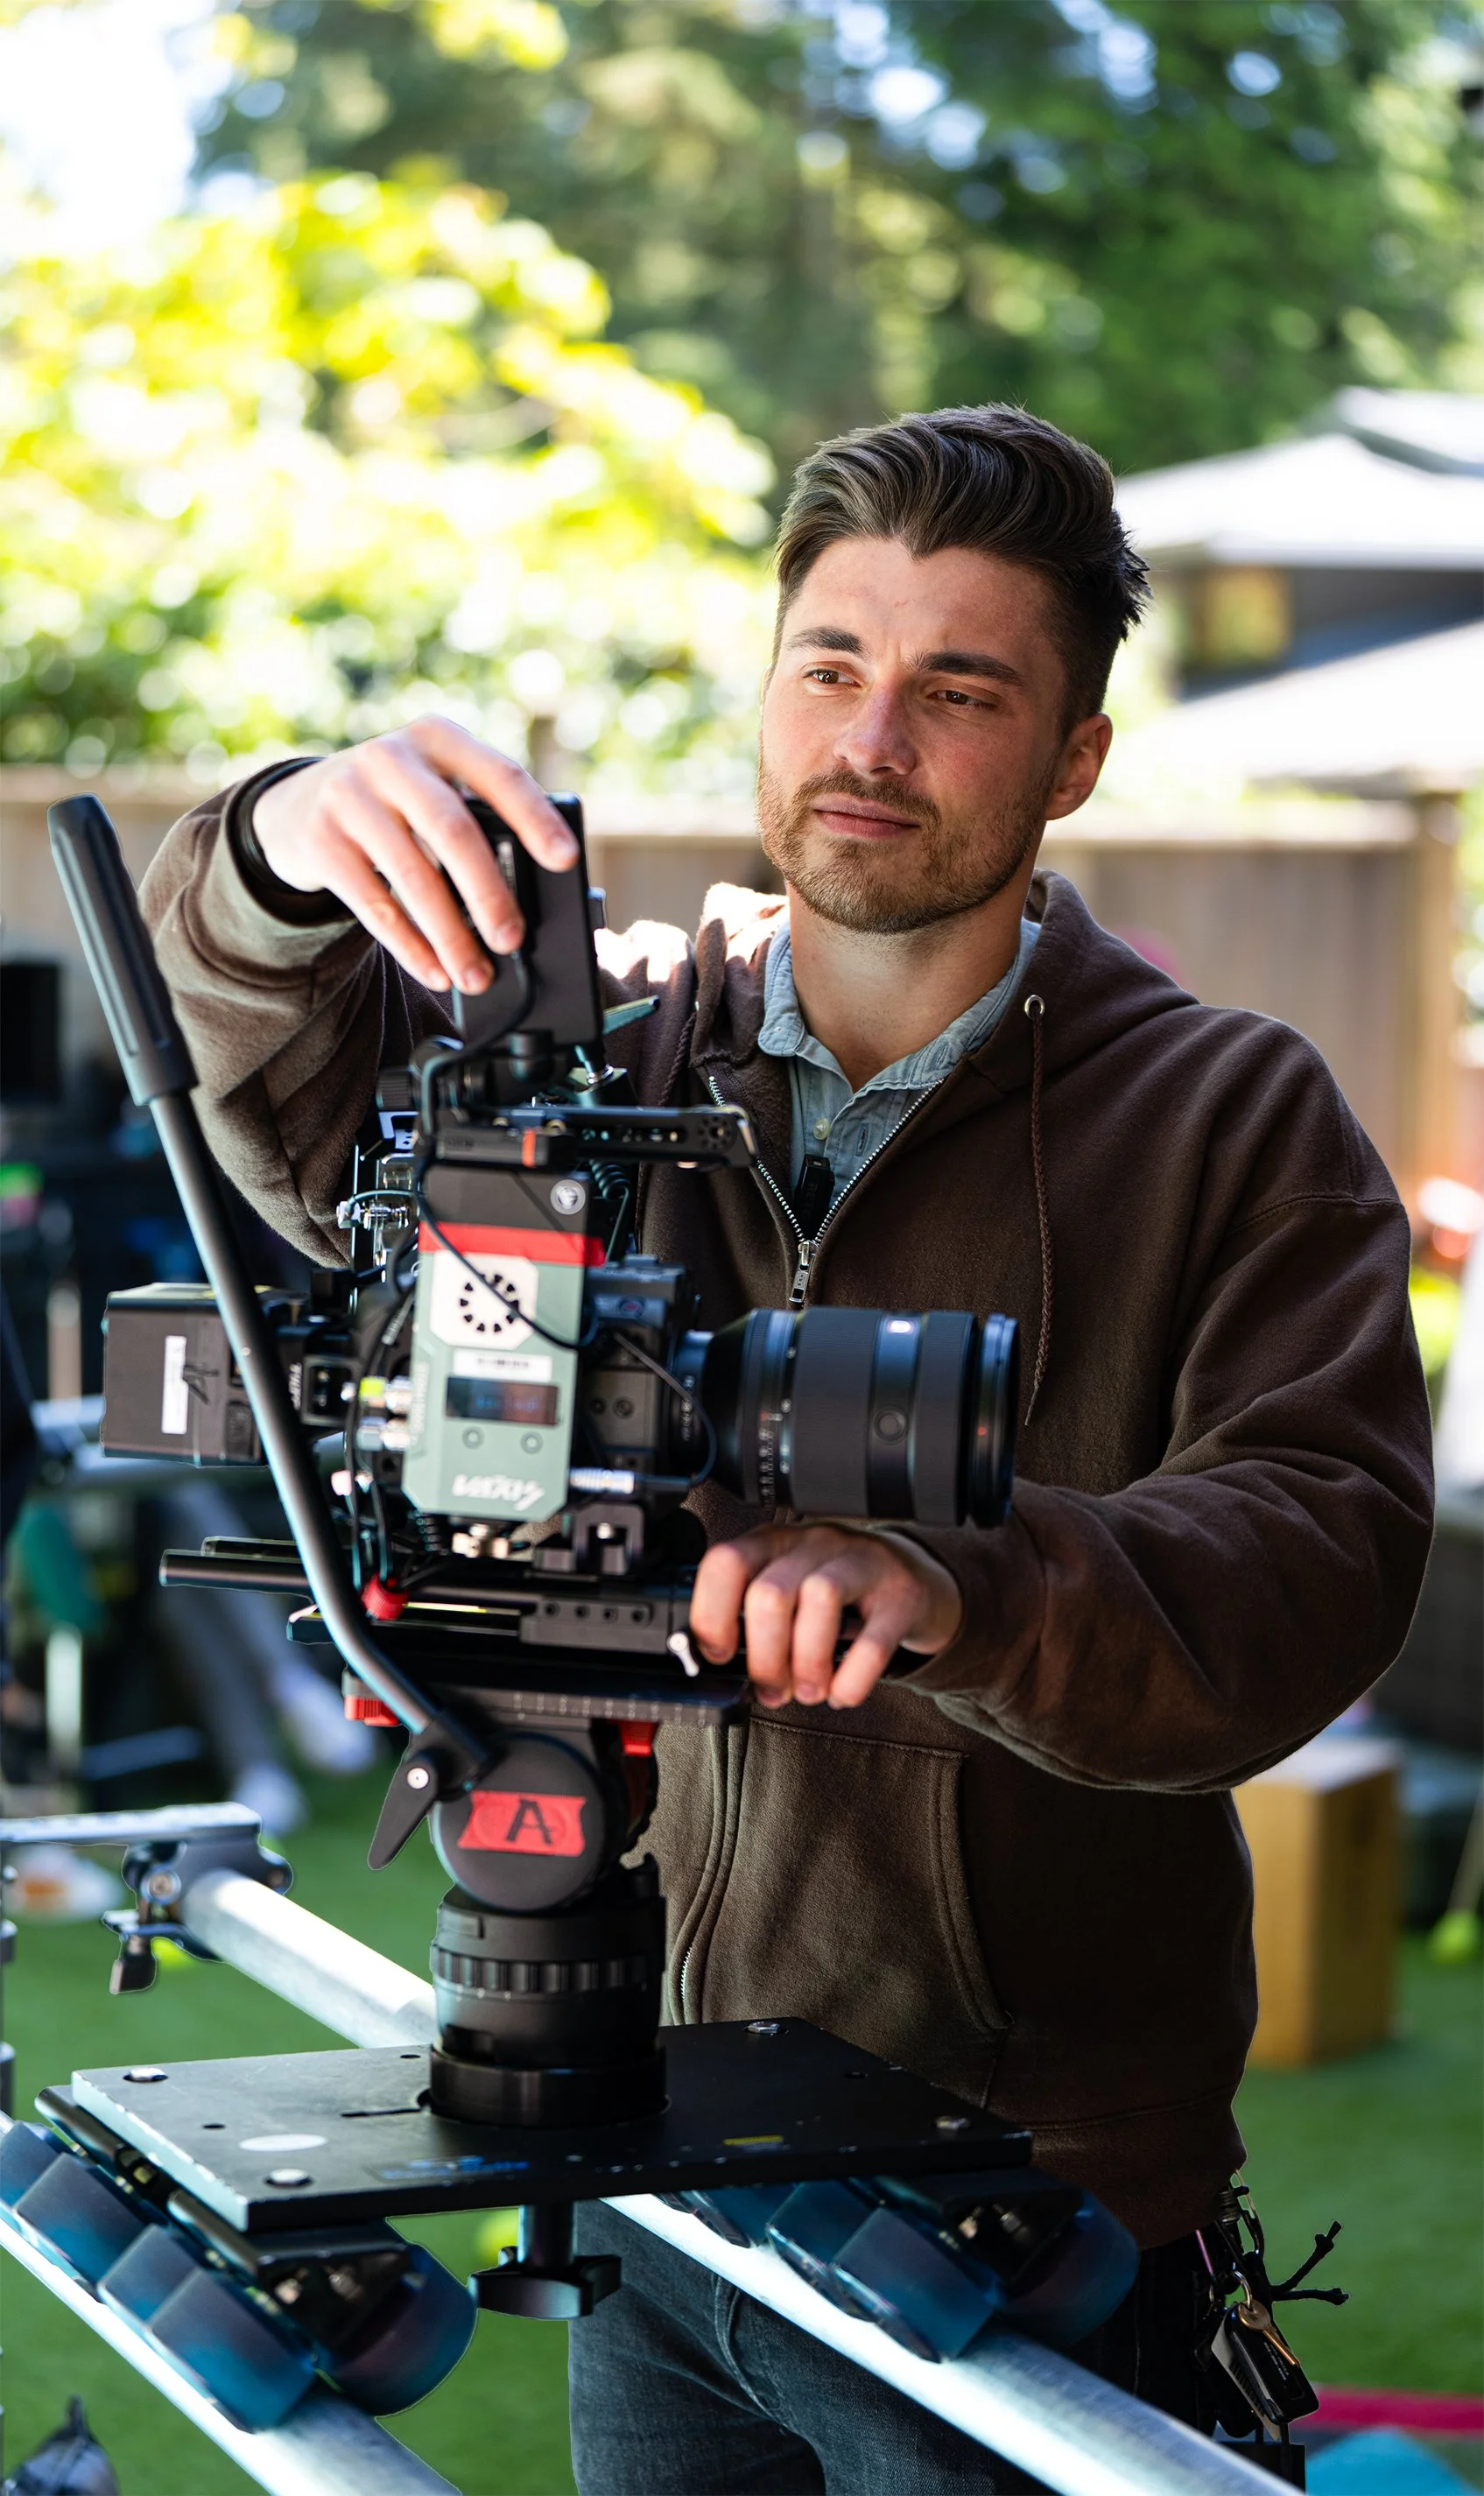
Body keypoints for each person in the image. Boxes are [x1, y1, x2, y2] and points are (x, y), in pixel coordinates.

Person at [140, 404, 1433, 2492]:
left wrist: (962, 1582)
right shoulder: (571, 1043)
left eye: (958, 689)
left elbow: (1314, 1563)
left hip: (1034, 2203)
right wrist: (284, 837)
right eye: (829, 664)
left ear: (1074, 761)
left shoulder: (1231, 1113)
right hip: (646, 2167)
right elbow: (268, 1083)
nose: (872, 736)